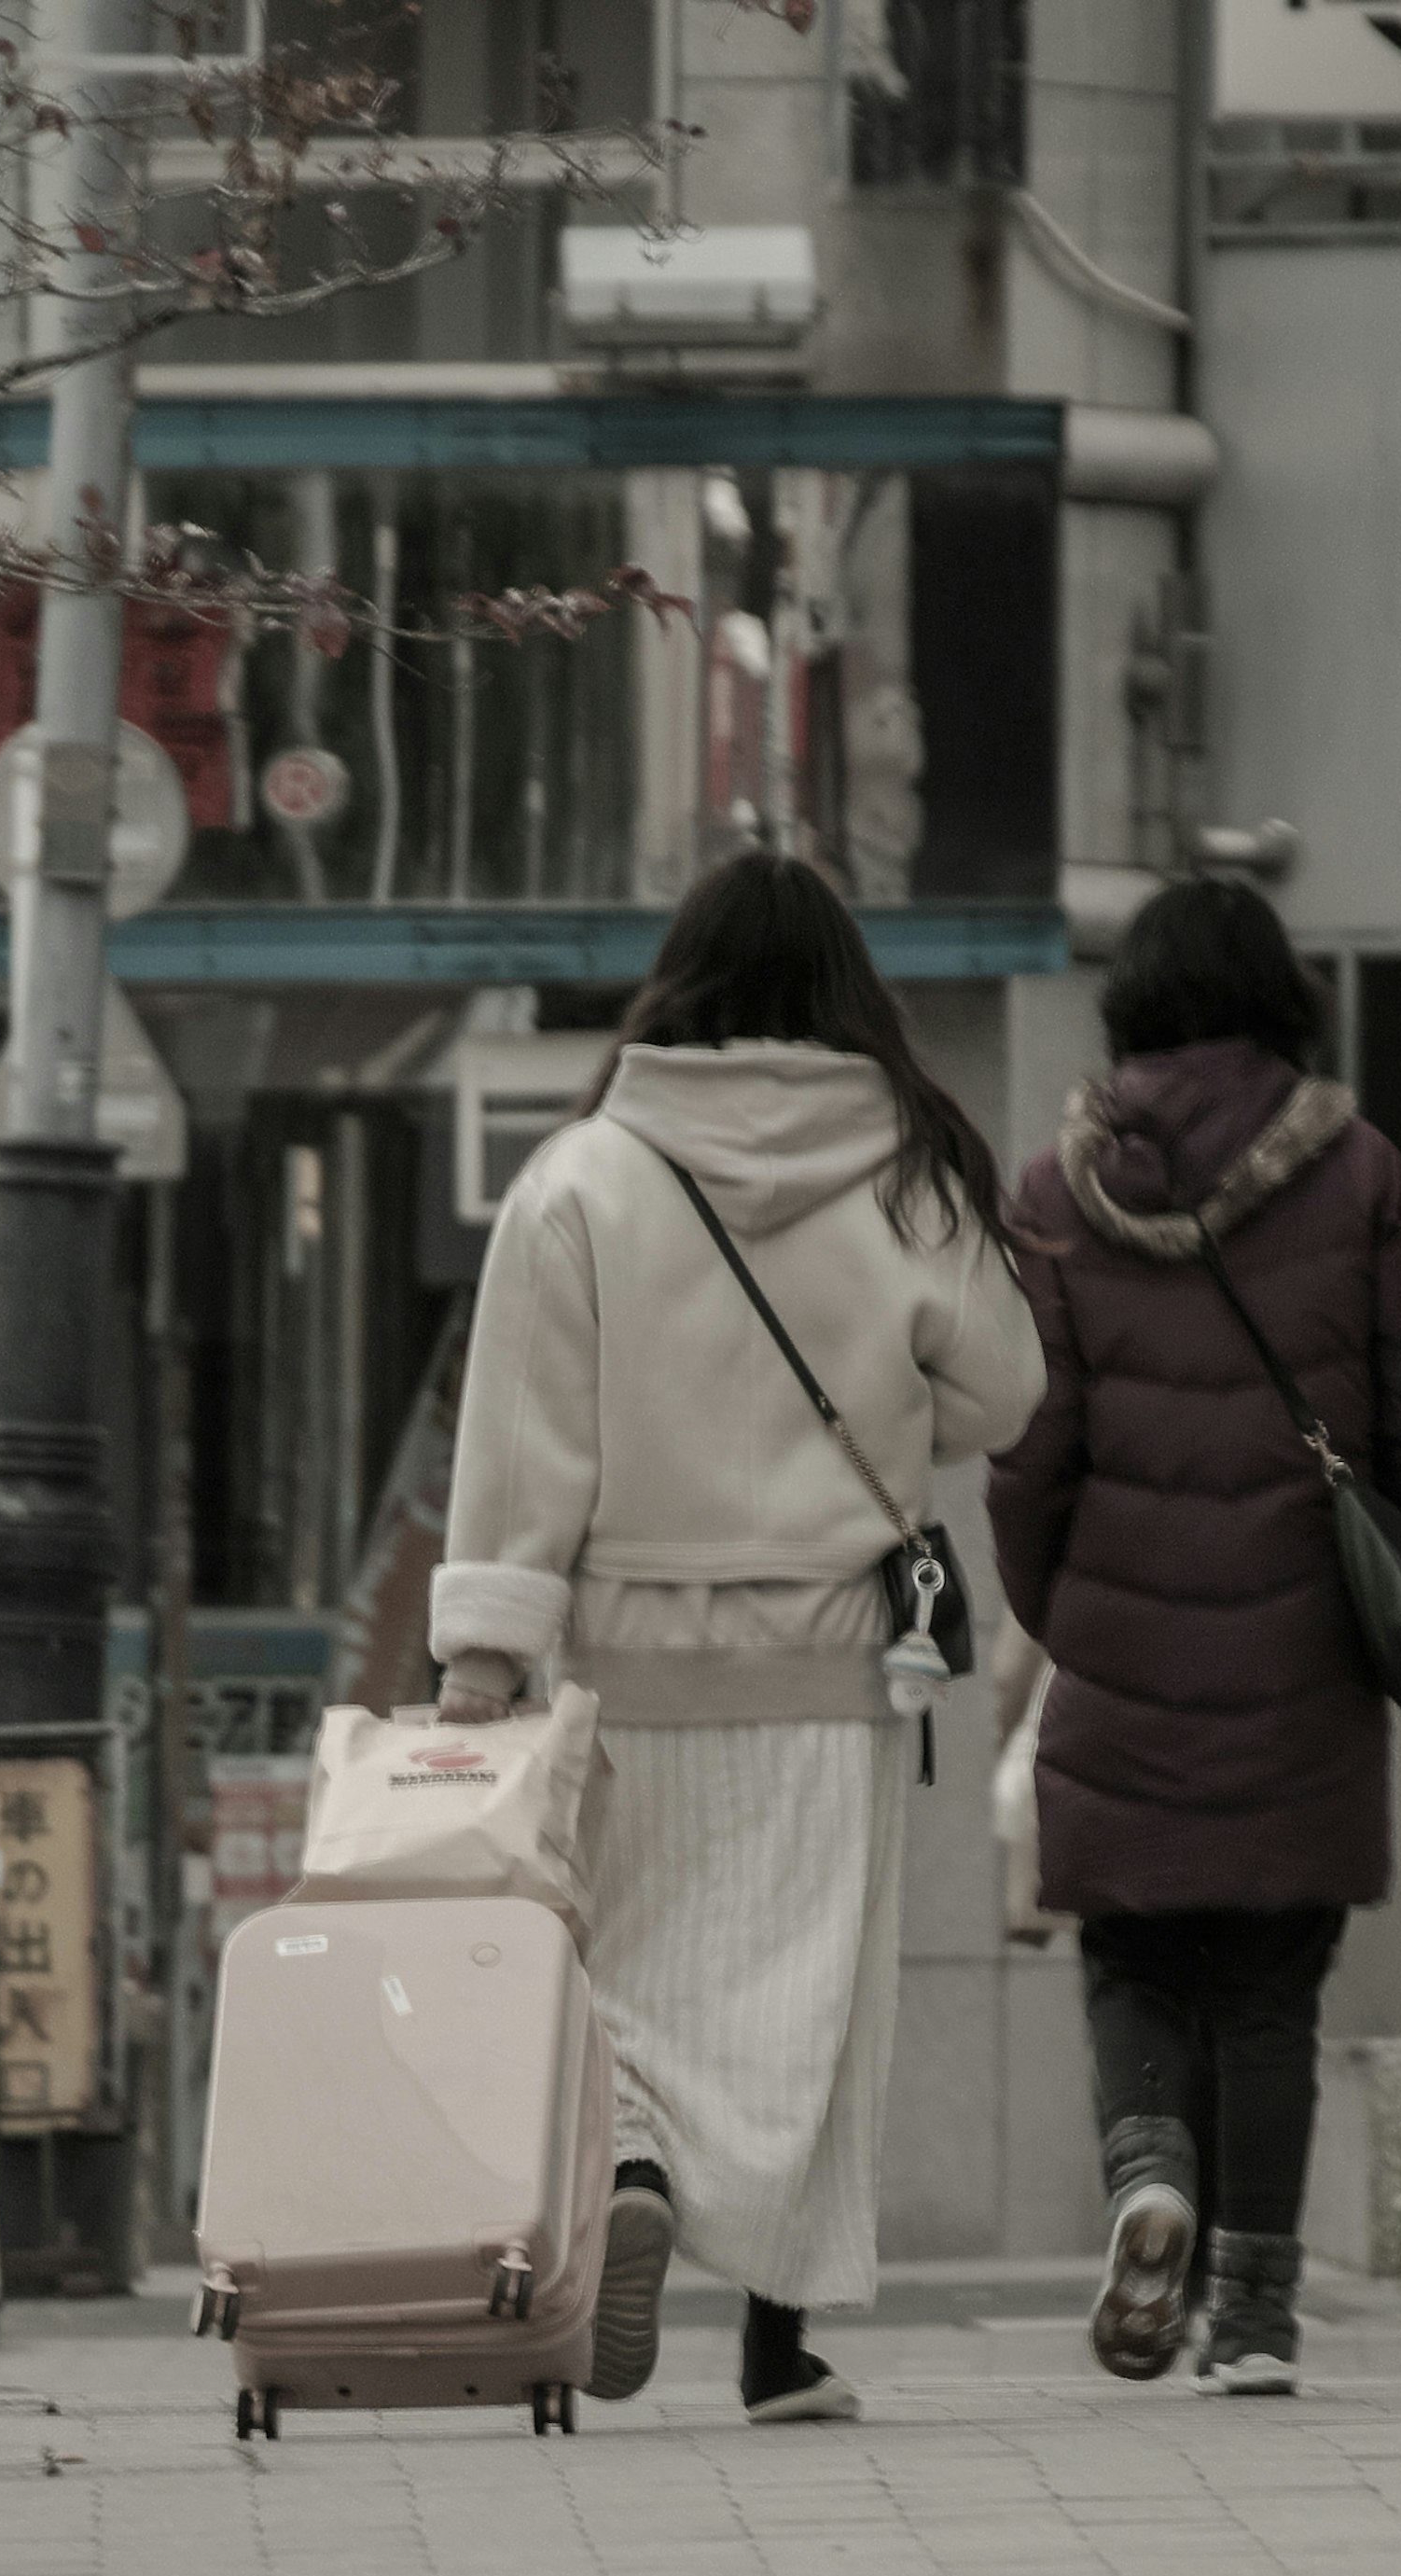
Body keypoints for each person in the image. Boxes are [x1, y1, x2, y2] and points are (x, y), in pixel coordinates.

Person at [431, 854, 1045, 2423]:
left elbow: (522, 1441)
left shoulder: (580, 1179)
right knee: (808, 2000)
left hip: (625, 1666)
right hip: (834, 1668)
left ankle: (630, 2162)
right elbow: (1006, 1394)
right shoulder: (912, 1170)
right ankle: (779, 2347)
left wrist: (483, 1662)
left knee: (616, 1964)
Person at [986, 876, 1401, 2392]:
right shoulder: (1364, 1174)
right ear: (1282, 1002)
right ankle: (1256, 2315)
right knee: (1272, 1979)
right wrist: (1369, 1538)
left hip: (1120, 1641)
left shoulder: (1058, 1193)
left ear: (1132, 1003)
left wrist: (1055, 1603)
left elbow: (1026, 1437)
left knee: (1134, 1946)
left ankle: (1150, 2184)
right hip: (1302, 1642)